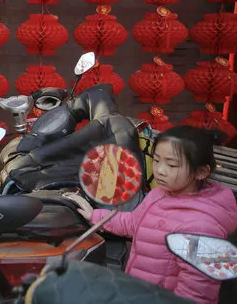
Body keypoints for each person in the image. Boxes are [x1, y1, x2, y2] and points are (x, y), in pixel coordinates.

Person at [69, 126, 237, 304]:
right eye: (156, 160)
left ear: (201, 172)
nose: (160, 170)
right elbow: (134, 222)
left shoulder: (202, 226)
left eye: (171, 165)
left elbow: (197, 292)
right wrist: (95, 216)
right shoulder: (160, 194)